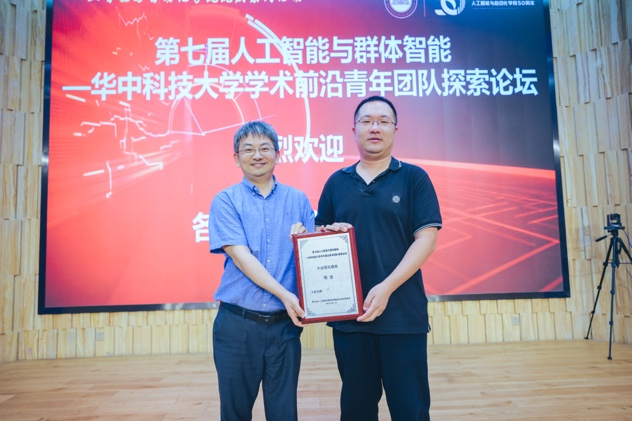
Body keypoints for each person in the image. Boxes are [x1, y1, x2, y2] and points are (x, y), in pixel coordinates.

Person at [315, 96, 442, 421]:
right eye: (367, 121)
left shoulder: (414, 178)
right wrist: (330, 234)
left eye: (383, 121)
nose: (375, 128)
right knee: (356, 410)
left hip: (402, 316)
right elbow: (318, 240)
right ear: (354, 129)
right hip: (350, 318)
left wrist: (386, 287)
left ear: (395, 130)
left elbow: (426, 239)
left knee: (411, 410)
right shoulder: (336, 182)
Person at [208, 120, 315, 421]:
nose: (257, 155)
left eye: (265, 148)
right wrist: (285, 294)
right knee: (235, 413)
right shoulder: (226, 200)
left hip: (284, 327)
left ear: (278, 154)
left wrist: (318, 237)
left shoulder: (298, 200)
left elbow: (313, 255)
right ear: (236, 158)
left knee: (284, 413)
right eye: (248, 149)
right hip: (237, 326)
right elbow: (242, 258)